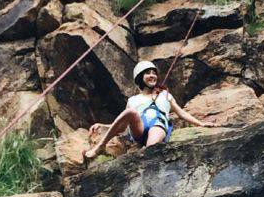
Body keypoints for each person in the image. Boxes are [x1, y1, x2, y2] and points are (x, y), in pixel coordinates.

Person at [83, 61, 219, 160]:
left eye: (154, 73)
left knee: (151, 150)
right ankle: (100, 146)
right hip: (139, 127)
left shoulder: (165, 95)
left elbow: (181, 113)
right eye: (148, 73)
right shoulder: (133, 100)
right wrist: (104, 125)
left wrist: (201, 124)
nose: (152, 75)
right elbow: (122, 126)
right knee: (131, 112)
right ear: (140, 77)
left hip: (158, 125)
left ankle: (148, 151)